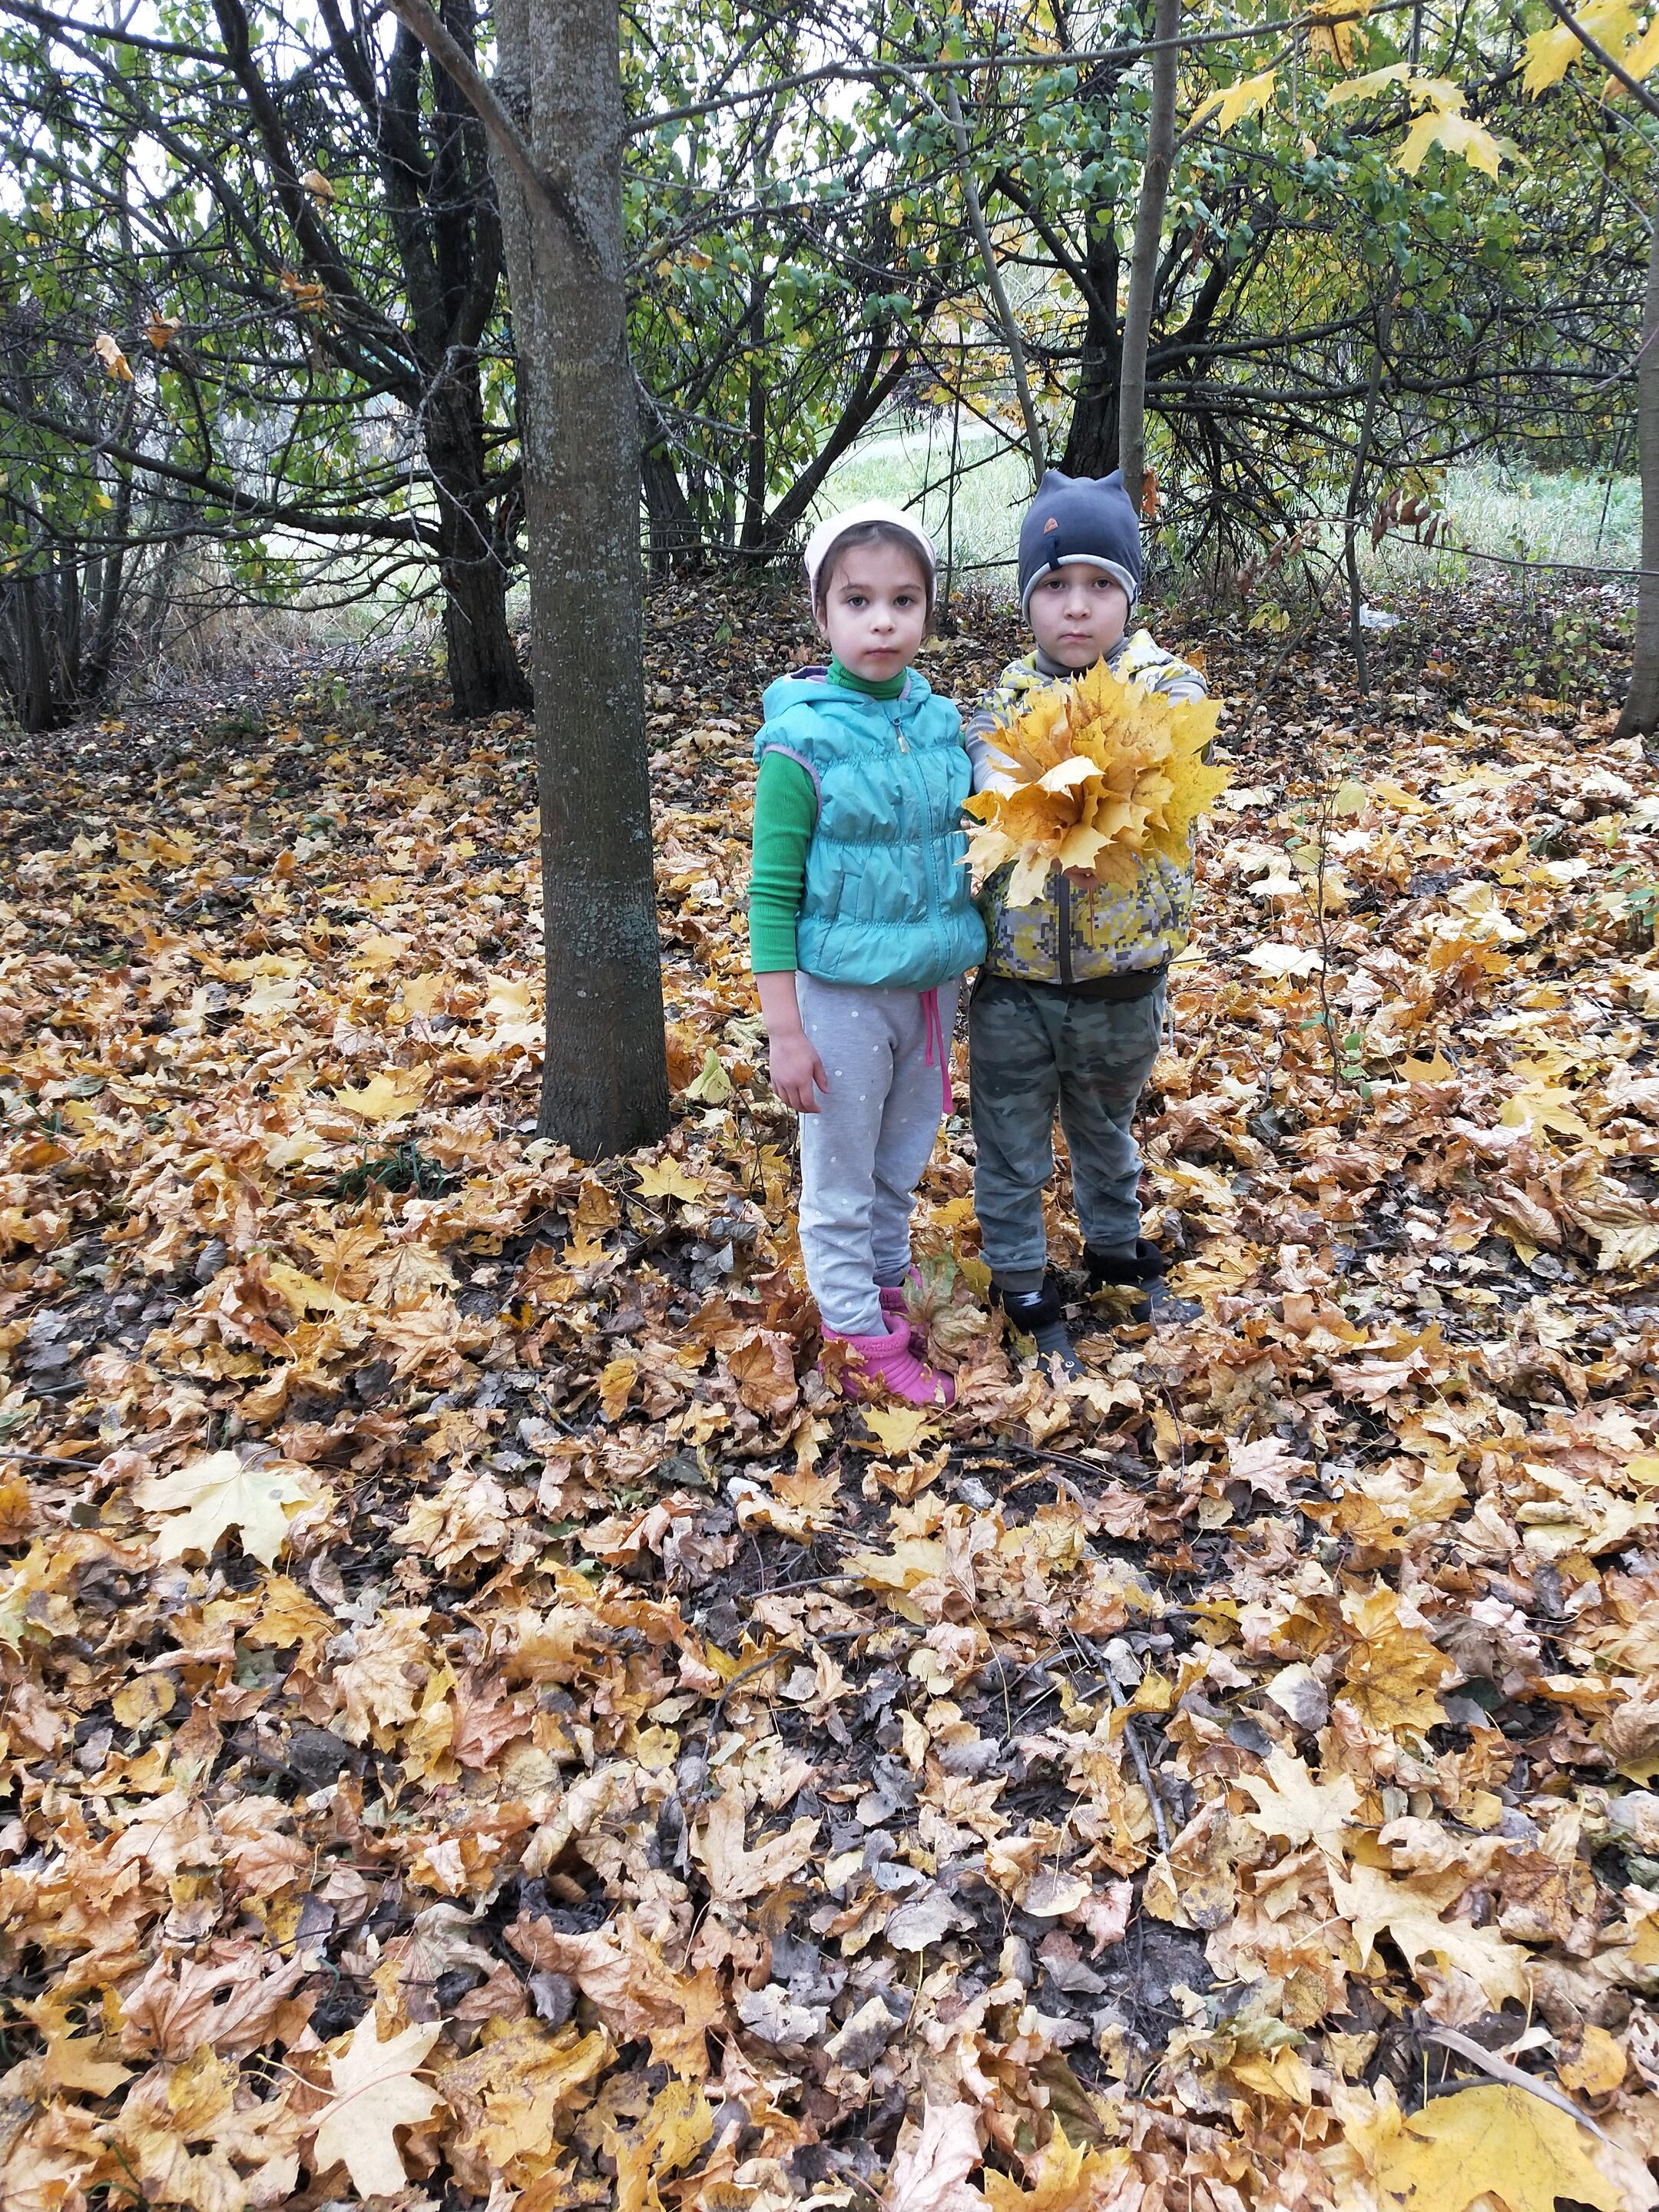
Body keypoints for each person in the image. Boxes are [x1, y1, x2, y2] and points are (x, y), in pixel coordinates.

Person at [965, 469, 1208, 1373]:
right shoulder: (1005, 696)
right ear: (1028, 599)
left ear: (1129, 596)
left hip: (1121, 979)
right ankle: (1021, 1281)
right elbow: (991, 769)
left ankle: (1113, 1250)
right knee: (1010, 1142)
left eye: (1100, 584)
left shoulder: (1168, 686)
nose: (1076, 607)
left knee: (1108, 1129)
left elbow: (1158, 762)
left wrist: (1063, 781)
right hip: (1017, 983)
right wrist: (1007, 777)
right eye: (1055, 585)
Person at [749, 502, 985, 1406]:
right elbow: (771, 893)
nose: (882, 622)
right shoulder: (800, 741)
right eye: (858, 601)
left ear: (927, 609)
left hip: (929, 992)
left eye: (903, 600)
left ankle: (885, 1289)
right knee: (842, 1174)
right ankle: (853, 1335)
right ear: (823, 613)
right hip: (841, 999)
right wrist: (785, 1030)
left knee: (899, 1160)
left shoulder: (940, 724)